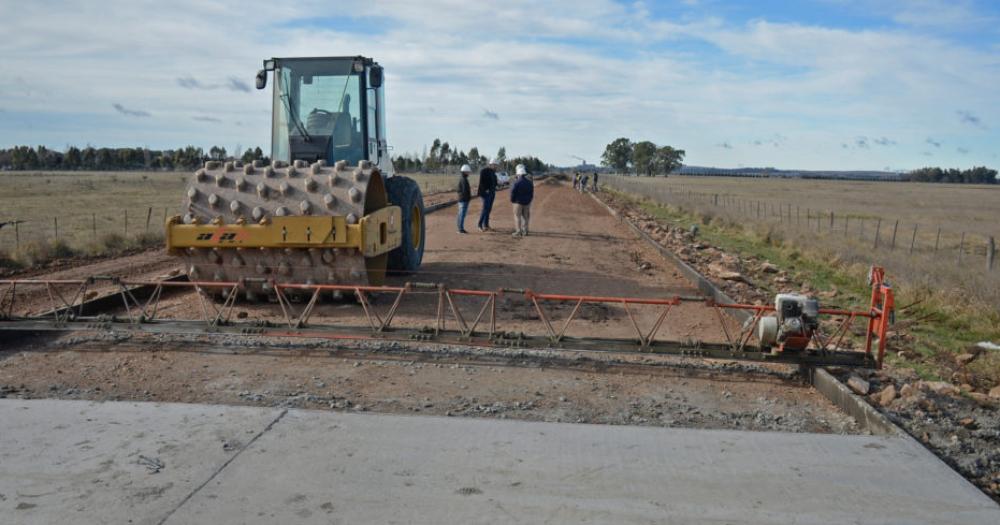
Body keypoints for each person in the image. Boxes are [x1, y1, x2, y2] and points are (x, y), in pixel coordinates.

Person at [510, 164, 534, 237]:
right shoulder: (529, 183)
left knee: (517, 217)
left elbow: (512, 192)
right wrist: (529, 200)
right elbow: (531, 193)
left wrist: (512, 200)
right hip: (527, 202)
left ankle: (518, 231)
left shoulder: (516, 183)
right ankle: (525, 231)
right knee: (526, 217)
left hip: (518, 202)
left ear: (518, 174)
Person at [476, 160, 498, 231]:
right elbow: (481, 182)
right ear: (491, 164)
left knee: (489, 209)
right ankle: (479, 225)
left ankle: (486, 225)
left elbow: (494, 183)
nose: (496, 166)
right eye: (495, 165)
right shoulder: (484, 171)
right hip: (485, 193)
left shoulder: (493, 173)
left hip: (492, 193)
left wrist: (496, 186)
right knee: (485, 209)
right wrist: (486, 190)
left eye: (496, 165)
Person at [456, 164, 472, 234]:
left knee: (461, 214)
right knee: (462, 214)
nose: (469, 173)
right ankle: (461, 229)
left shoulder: (463, 179)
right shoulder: (464, 180)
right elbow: (465, 191)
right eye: (468, 172)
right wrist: (468, 198)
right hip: (463, 200)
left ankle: (460, 228)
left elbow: (459, 190)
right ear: (465, 172)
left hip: (462, 199)